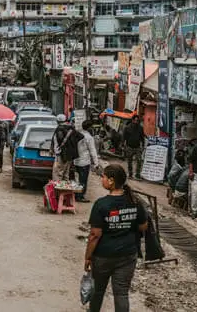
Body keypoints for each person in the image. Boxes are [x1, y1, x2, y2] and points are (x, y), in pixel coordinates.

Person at [85, 164, 148, 312]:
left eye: (104, 177)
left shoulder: (101, 204)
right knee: (121, 293)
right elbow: (143, 226)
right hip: (127, 255)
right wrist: (126, 224)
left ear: (111, 181)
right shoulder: (135, 202)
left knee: (98, 291)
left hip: (103, 256)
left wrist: (88, 257)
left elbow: (95, 235)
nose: (102, 179)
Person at [75, 120, 100, 202]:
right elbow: (93, 150)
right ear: (89, 128)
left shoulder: (77, 134)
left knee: (77, 179)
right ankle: (80, 196)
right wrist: (96, 163)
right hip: (84, 162)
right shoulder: (89, 137)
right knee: (83, 180)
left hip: (76, 161)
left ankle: (76, 194)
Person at [50, 114, 74, 182]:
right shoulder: (71, 128)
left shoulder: (59, 129)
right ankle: (65, 190)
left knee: (57, 174)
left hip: (61, 154)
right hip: (69, 155)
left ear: (58, 121)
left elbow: (58, 141)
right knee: (66, 174)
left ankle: (58, 190)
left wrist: (52, 150)